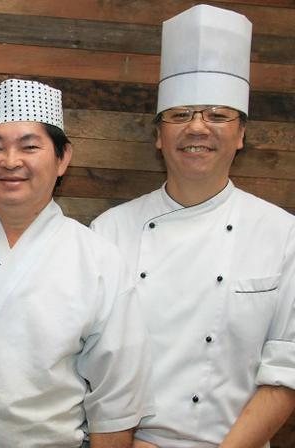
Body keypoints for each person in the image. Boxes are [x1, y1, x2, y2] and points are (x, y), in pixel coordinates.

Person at [91, 5, 295, 447]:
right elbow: (89, 367)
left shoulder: (283, 234)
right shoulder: (109, 230)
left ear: (241, 134)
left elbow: (286, 370)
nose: (197, 128)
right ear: (158, 135)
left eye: (217, 115)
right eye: (180, 115)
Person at [0, 78, 152, 448]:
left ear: (63, 159)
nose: (10, 162)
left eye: (29, 147)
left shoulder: (99, 260)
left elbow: (116, 401)